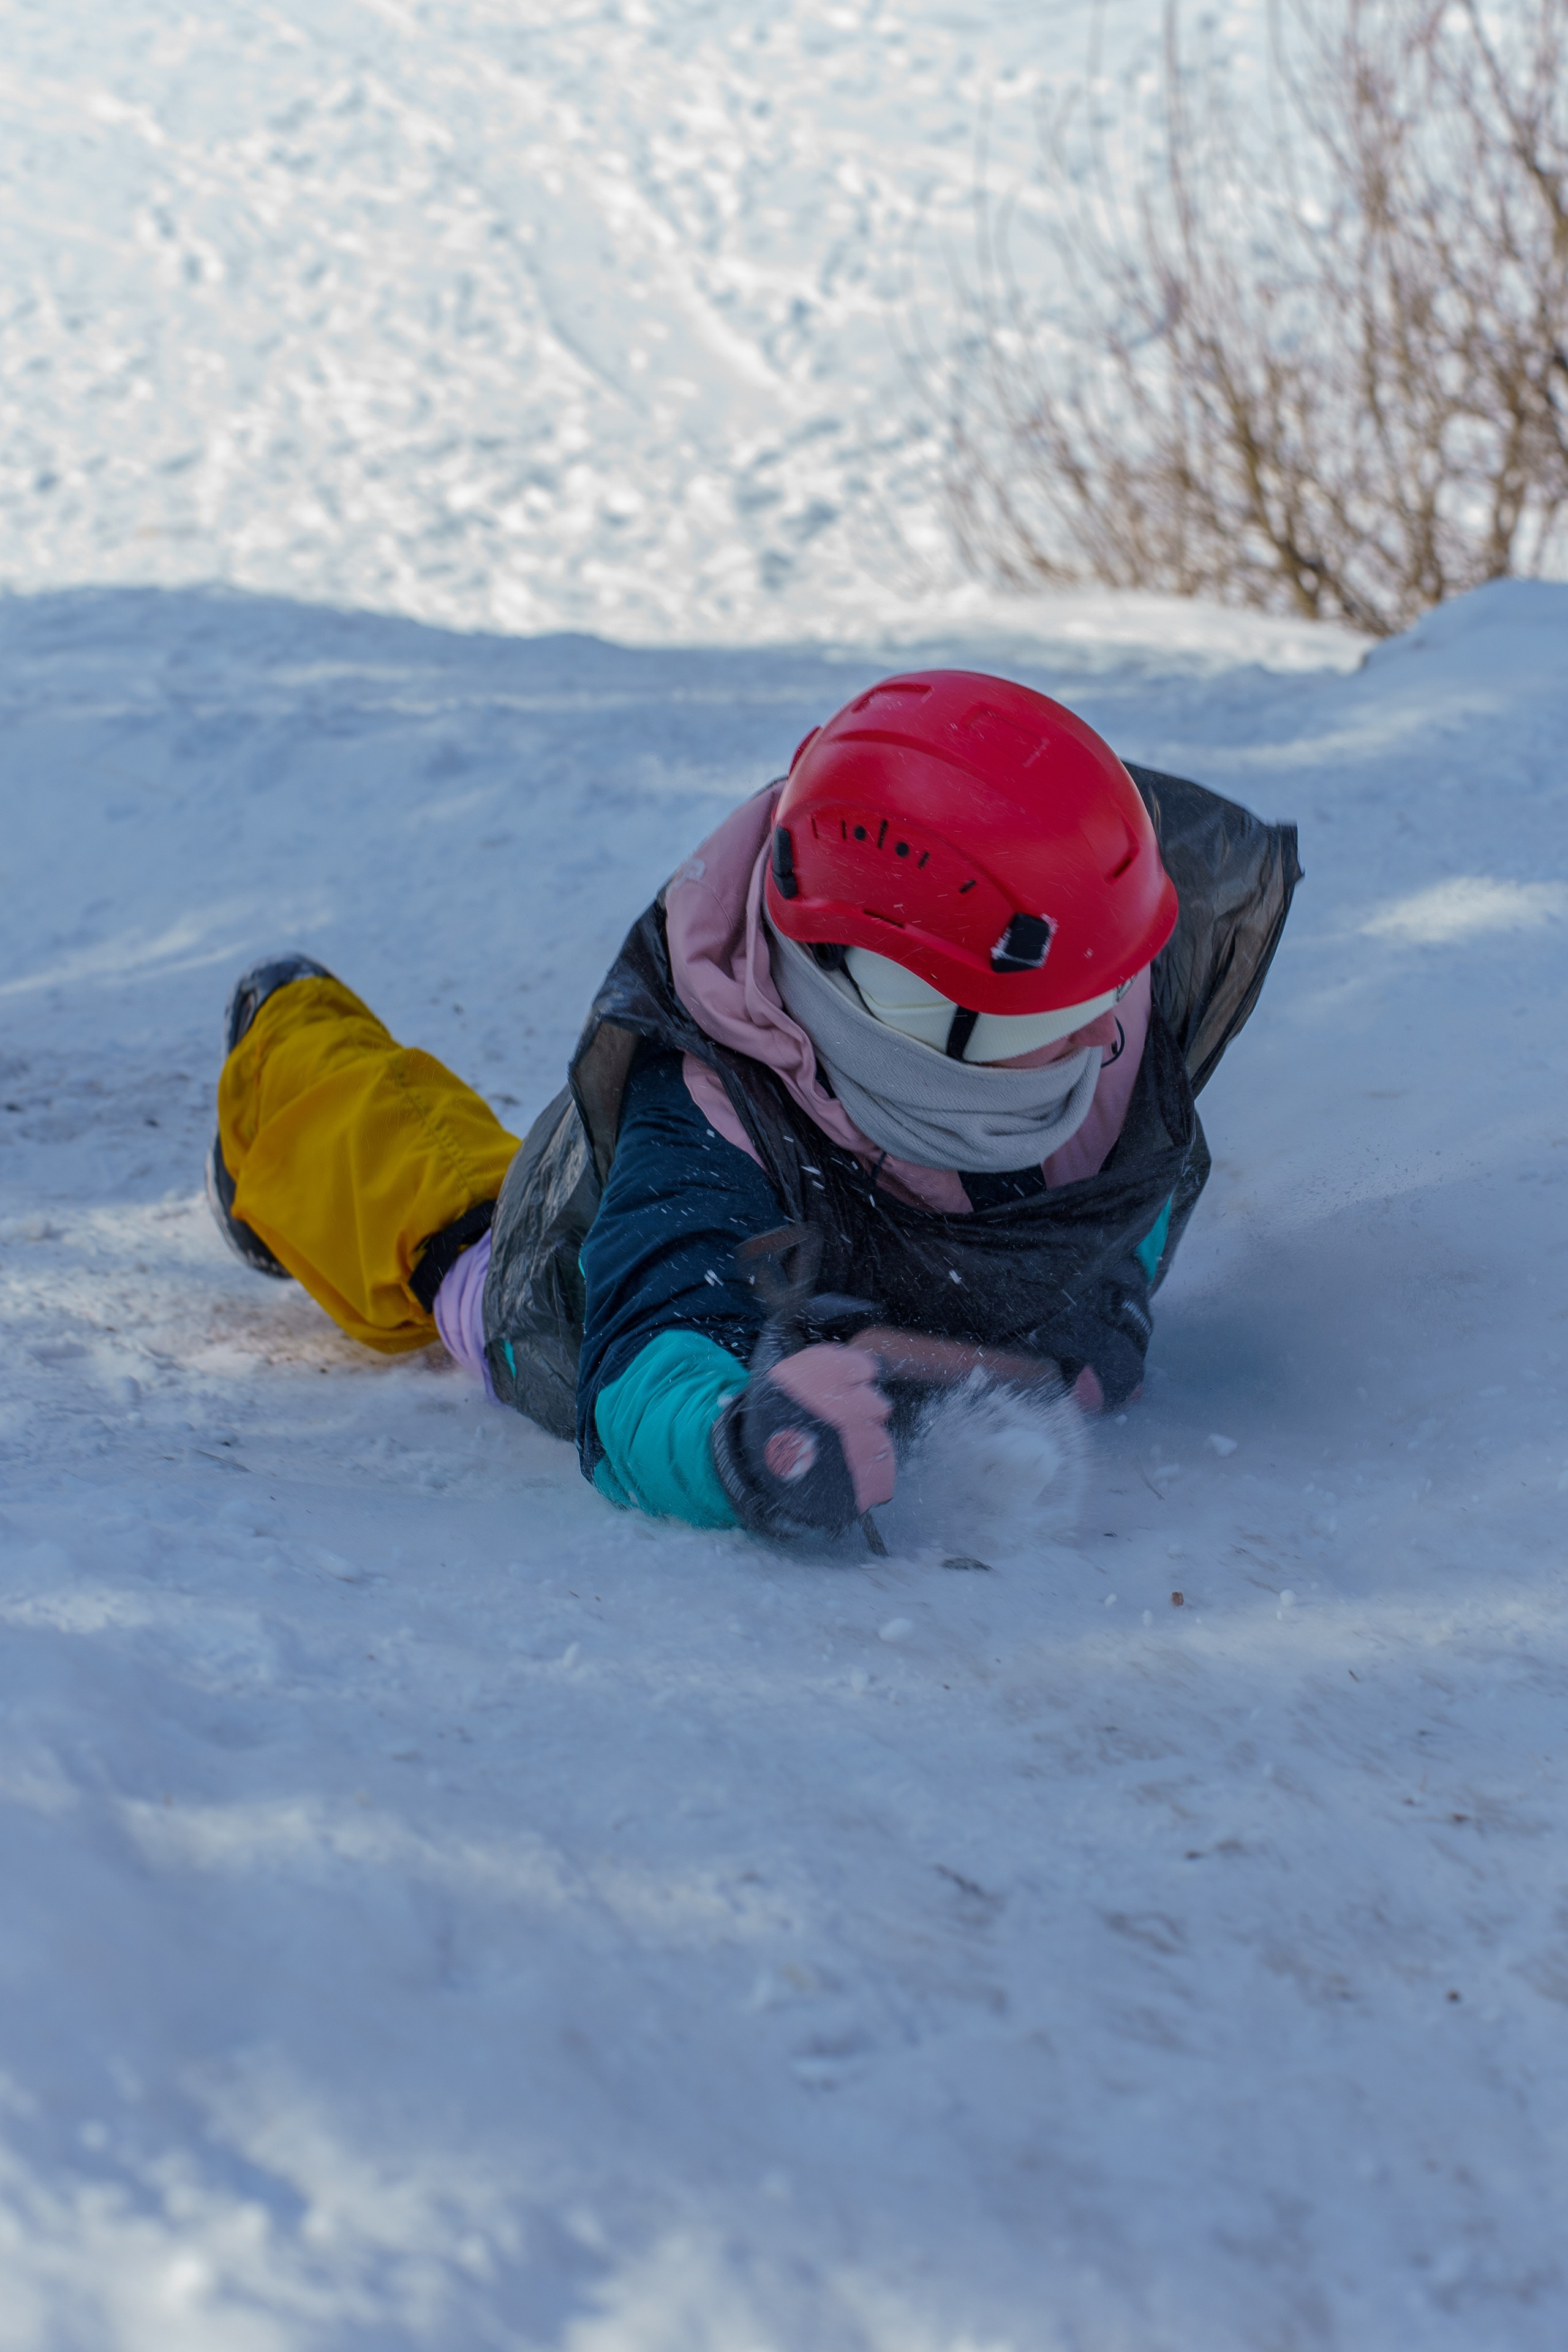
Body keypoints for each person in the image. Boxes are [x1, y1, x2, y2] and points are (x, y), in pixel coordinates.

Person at [207, 669, 1299, 1542]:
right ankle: (286, 1041)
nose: (1100, 1037)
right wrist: (740, 1442)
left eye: (1107, 993)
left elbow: (1125, 1182)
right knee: (450, 1222)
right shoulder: (711, 1124)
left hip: (856, 1290)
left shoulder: (1085, 992)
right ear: (890, 1007)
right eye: (1040, 1021)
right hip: (587, 1284)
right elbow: (646, 1362)